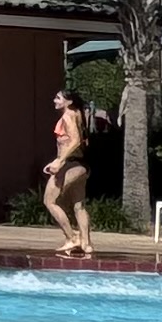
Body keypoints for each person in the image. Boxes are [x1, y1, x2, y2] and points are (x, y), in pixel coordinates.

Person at [40, 89, 93, 256]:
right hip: (82, 165)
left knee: (50, 201)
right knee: (79, 205)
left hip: (70, 164)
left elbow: (75, 140)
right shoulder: (78, 114)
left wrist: (59, 161)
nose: (54, 100)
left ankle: (71, 238)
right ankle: (86, 243)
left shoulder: (68, 115)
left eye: (58, 98)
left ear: (68, 102)